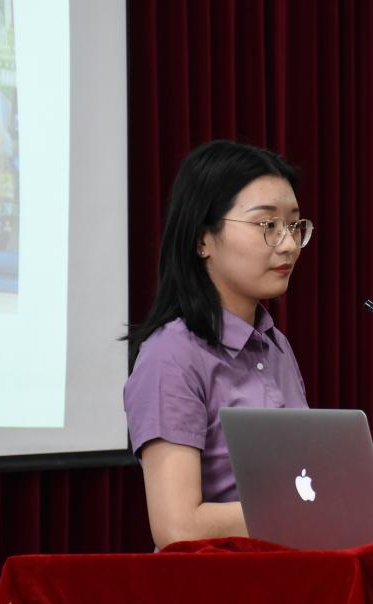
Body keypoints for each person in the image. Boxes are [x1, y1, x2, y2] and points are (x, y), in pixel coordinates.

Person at [123, 140, 313, 549]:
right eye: (267, 225)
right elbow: (177, 528)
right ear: (202, 239)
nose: (288, 244)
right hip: (215, 583)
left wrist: (343, 484)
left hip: (288, 574)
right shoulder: (171, 355)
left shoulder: (276, 346)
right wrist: (314, 504)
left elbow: (299, 479)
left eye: (294, 225)